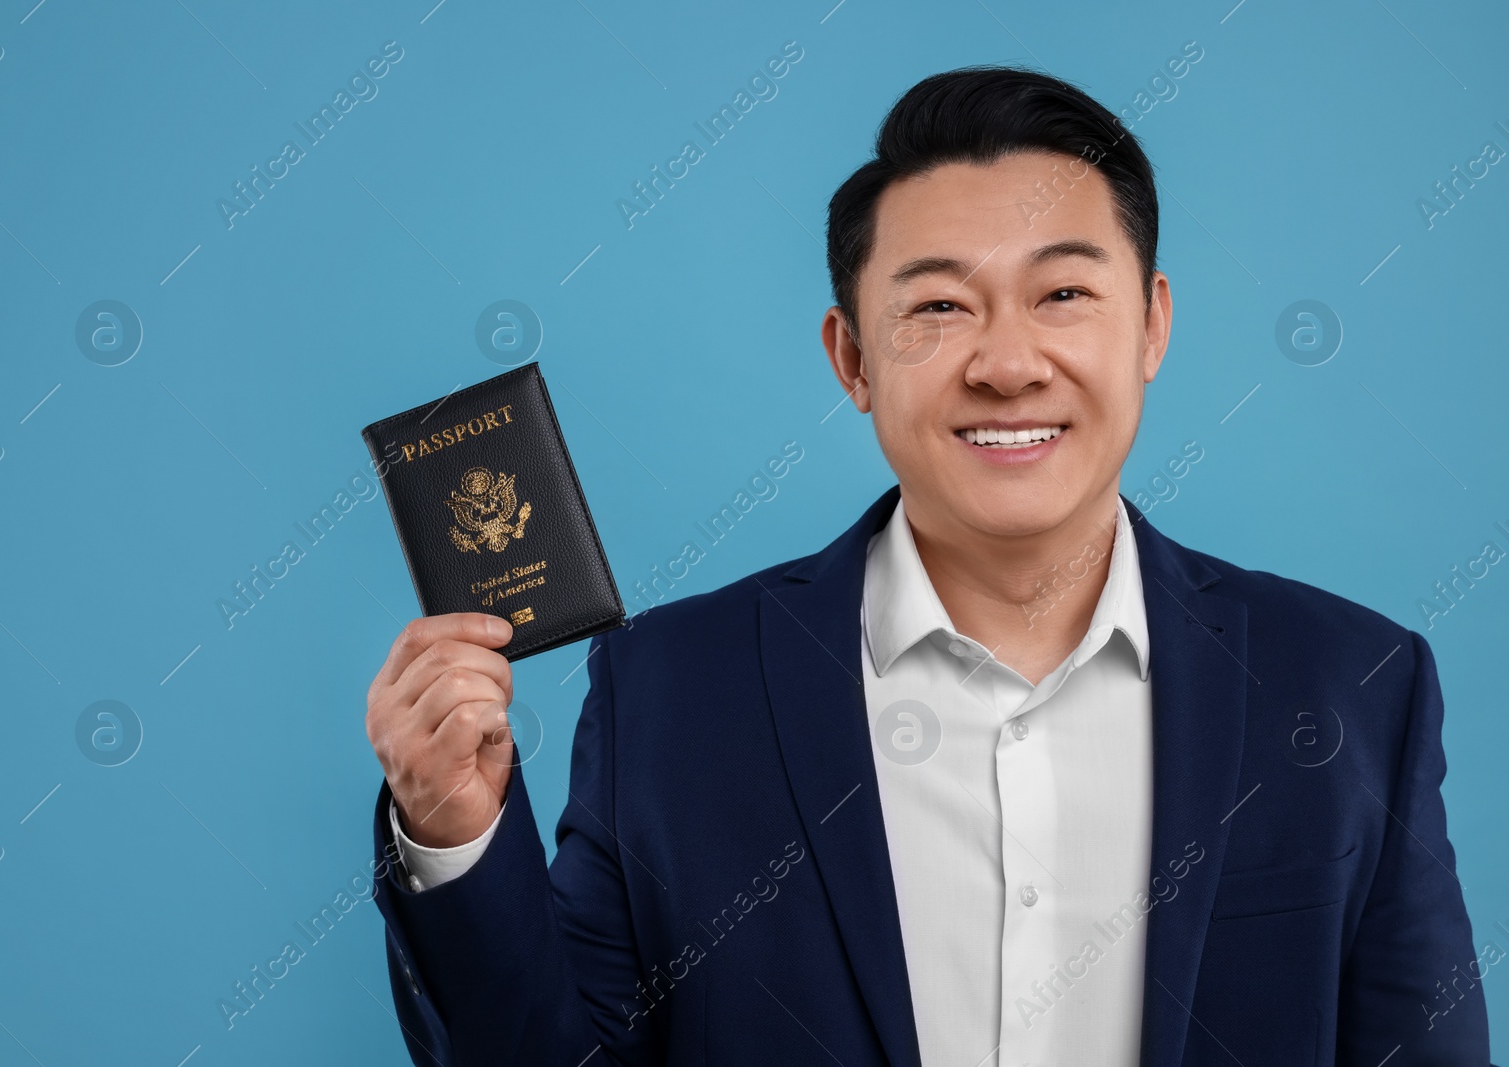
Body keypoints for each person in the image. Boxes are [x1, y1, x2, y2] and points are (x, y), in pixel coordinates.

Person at [362, 66, 1491, 1066]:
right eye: (939, 306)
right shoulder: (669, 691)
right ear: (851, 357)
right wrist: (453, 832)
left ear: (1150, 326)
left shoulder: (1350, 683)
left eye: (1062, 294)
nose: (1006, 363)